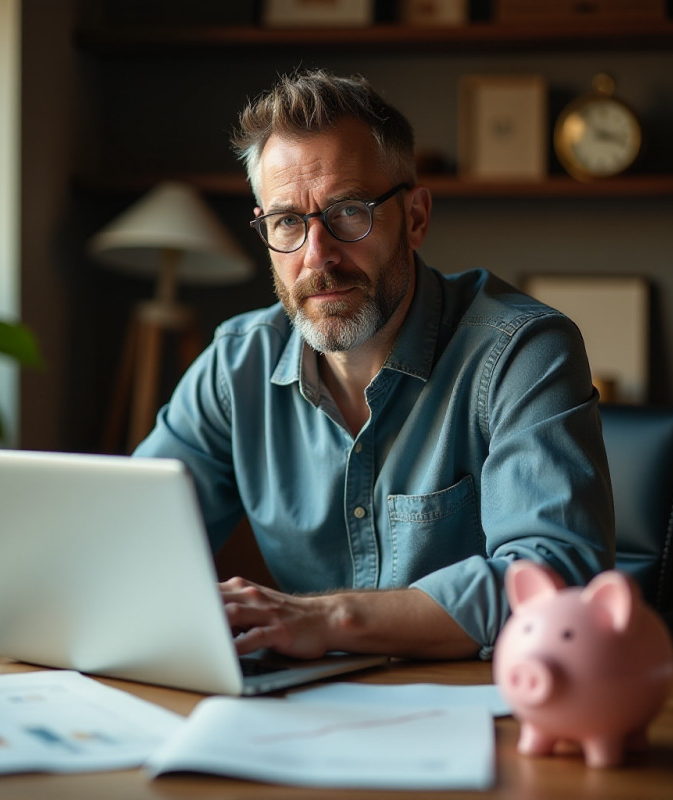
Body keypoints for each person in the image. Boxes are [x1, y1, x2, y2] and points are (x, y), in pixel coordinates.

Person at [135, 69, 614, 662]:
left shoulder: (522, 352)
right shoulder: (237, 365)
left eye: (349, 212)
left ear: (414, 217)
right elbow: (129, 544)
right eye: (287, 221)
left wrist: (325, 618)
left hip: (485, 714)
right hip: (305, 715)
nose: (319, 256)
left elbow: (554, 580)